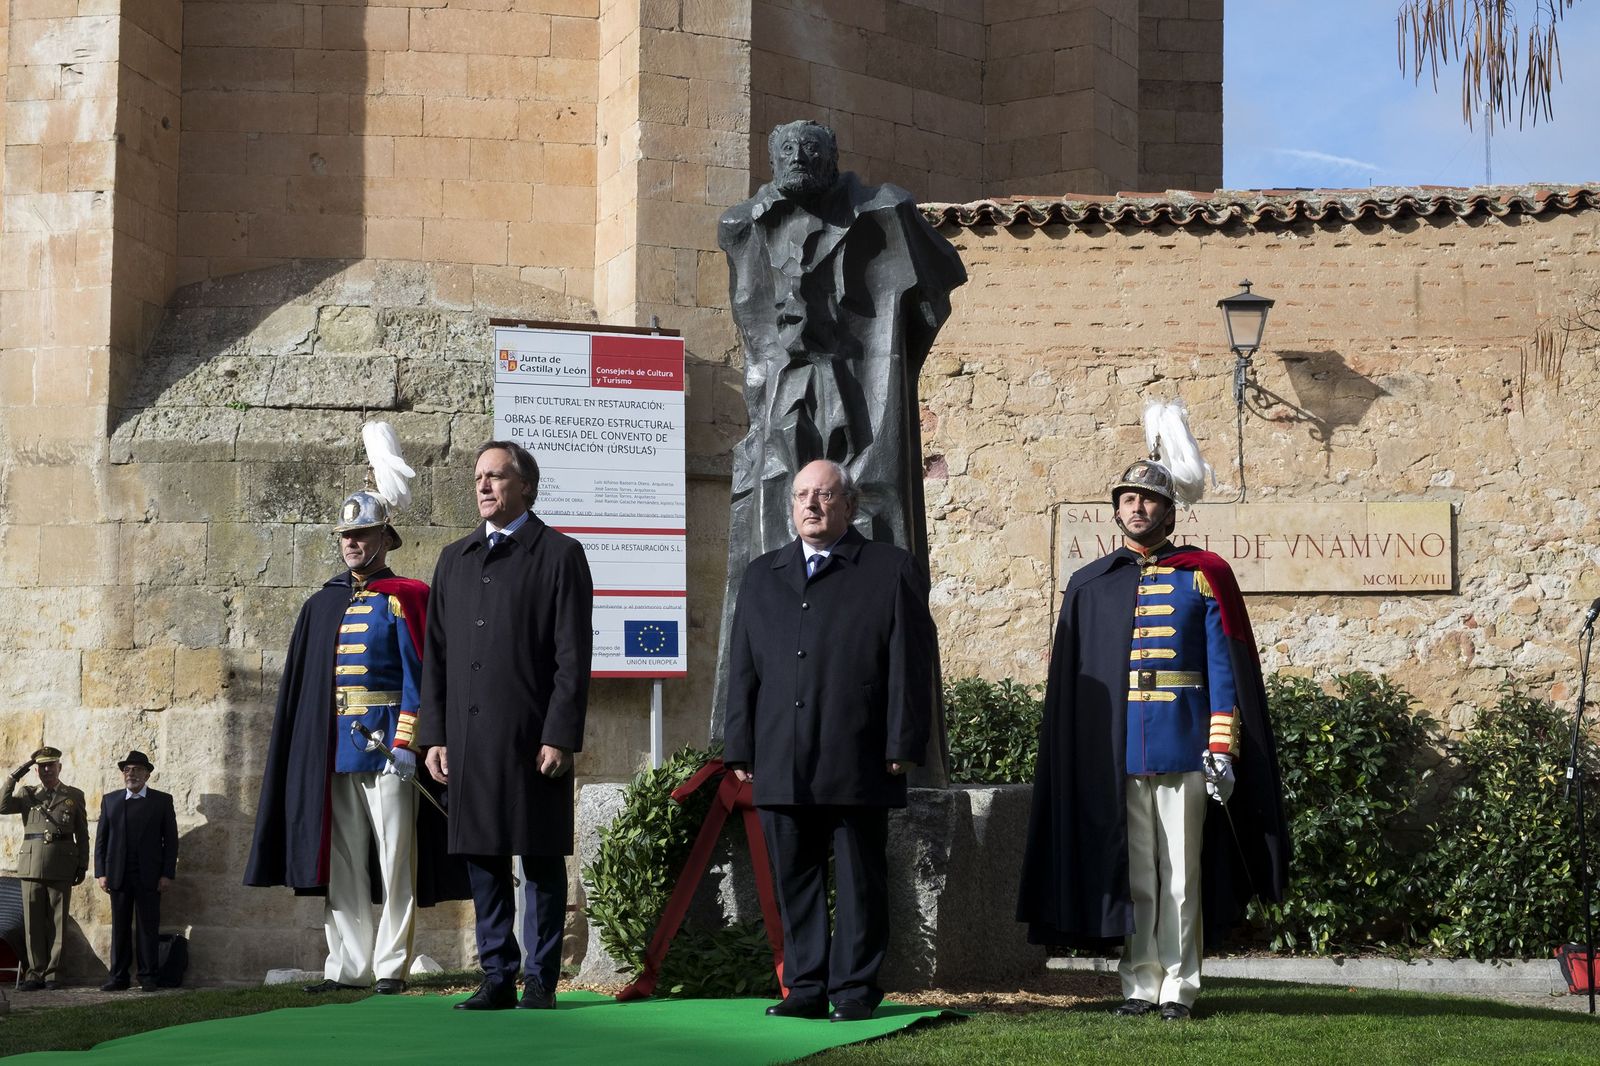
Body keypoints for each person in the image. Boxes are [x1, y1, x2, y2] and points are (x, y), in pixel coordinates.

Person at [1016, 405, 1289, 1021]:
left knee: (1181, 874)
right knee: (1136, 870)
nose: (1137, 508)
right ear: (1116, 510)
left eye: (1148, 499)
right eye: (1128, 499)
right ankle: (1139, 982)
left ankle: (1180, 985)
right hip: (1122, 749)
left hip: (1185, 744)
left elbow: (1226, 672)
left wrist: (1222, 747)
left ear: (1170, 510)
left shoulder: (1203, 575)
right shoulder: (1092, 582)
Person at [711, 119, 966, 749]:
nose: (798, 156)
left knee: (876, 513)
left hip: (859, 381)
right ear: (771, 159)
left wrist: (881, 364)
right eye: (787, 149)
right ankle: (749, 734)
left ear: (832, 157)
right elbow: (754, 327)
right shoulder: (745, 224)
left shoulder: (885, 212)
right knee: (775, 529)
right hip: (783, 394)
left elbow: (932, 298)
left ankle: (894, 734)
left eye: (811, 149)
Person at [245, 423, 462, 994]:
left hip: (388, 745)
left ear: (386, 537)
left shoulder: (408, 597)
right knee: (344, 862)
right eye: (346, 534)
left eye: (363, 534)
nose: (352, 543)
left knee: (396, 862)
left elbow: (421, 679)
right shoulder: (324, 602)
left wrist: (406, 743)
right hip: (337, 748)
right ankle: (347, 964)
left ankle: (391, 965)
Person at [723, 459, 937, 1022]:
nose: (811, 505)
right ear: (790, 505)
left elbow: (910, 665)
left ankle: (855, 991)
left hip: (860, 751)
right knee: (794, 878)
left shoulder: (890, 569)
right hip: (780, 753)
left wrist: (902, 742)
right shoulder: (762, 574)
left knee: (860, 878)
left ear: (849, 504)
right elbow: (740, 668)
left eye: (823, 495)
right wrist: (739, 747)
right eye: (801, 496)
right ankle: (806, 987)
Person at [418, 440, 594, 1012]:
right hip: (467, 740)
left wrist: (561, 733)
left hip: (531, 739)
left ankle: (540, 978)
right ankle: (497, 974)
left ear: (526, 487)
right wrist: (434, 734)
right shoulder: (454, 558)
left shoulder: (561, 555)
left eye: (496, 476)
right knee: (482, 857)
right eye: (478, 478)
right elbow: (437, 657)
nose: (484, 486)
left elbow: (573, 656)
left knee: (539, 857)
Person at [1, 746, 89, 990]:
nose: (47, 770)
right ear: (37, 770)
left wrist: (82, 864)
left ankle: (54, 974)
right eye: (42, 766)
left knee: (57, 923)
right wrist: (17, 774)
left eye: (51, 765)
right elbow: (2, 805)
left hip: (62, 864)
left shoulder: (73, 795)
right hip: (30, 865)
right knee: (33, 924)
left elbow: (82, 834)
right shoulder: (28, 794)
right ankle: (35, 972)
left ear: (59, 767)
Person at [93, 750, 178, 992]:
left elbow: (171, 841)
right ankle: (118, 977)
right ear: (123, 775)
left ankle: (148, 976)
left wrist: (166, 873)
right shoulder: (111, 801)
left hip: (150, 876)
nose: (132, 774)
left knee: (148, 927)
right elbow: (102, 840)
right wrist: (101, 872)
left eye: (137, 769)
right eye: (127, 770)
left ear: (147, 774)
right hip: (118, 874)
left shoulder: (162, 801)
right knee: (119, 928)